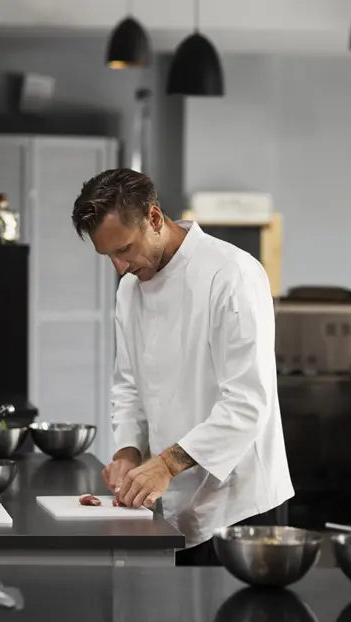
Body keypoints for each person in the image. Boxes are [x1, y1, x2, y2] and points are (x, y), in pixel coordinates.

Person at [71, 169, 294, 566]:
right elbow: (129, 385)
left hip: (240, 507)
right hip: (176, 501)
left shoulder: (232, 274)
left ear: (154, 218)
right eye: (109, 257)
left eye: (124, 249)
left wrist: (165, 464)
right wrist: (128, 452)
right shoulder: (129, 289)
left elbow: (247, 402)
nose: (120, 267)